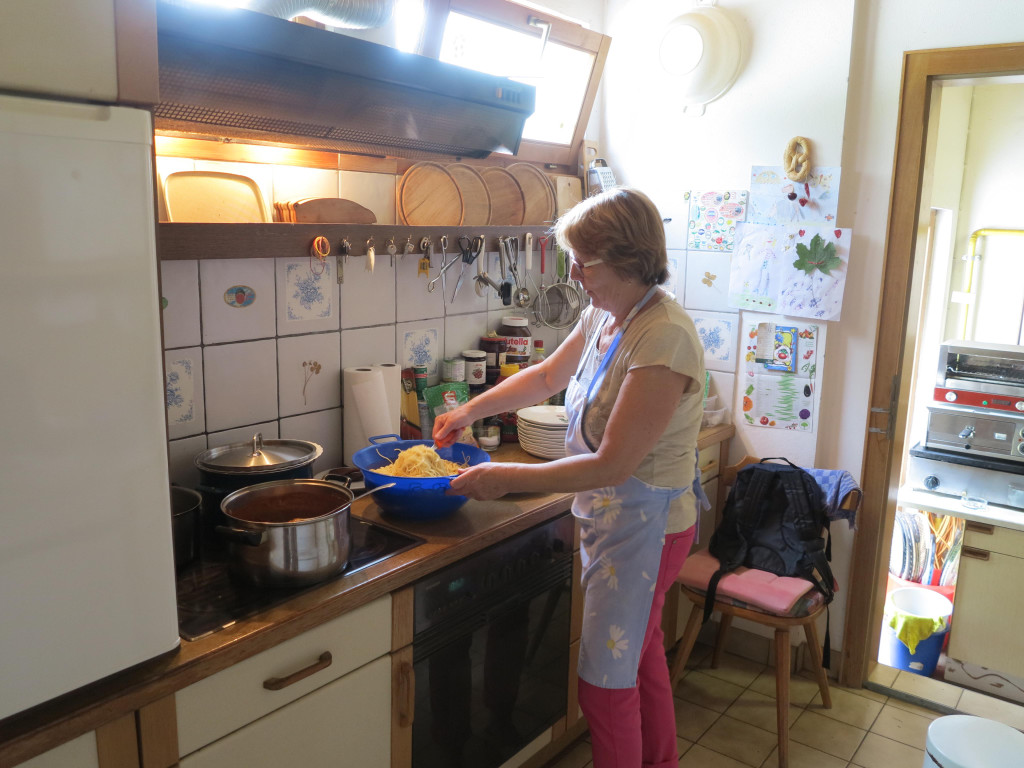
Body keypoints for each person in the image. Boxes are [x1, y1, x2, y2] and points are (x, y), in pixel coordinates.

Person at [433, 186, 707, 768]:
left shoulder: (664, 336)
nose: (574, 274)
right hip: (617, 517)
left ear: (628, 260)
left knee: (605, 685)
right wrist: (468, 410)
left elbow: (613, 464)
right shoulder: (605, 313)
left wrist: (506, 478)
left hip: (648, 529)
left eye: (584, 262)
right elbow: (545, 377)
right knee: (640, 659)